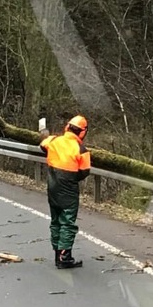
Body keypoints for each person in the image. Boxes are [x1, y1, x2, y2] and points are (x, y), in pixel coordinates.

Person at [39, 114, 92, 269]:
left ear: (67, 127)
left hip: (52, 186)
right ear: (82, 132)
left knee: (55, 220)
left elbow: (42, 145)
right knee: (67, 222)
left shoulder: (54, 140)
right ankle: (65, 257)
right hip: (68, 189)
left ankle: (57, 254)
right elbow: (84, 172)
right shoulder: (81, 149)